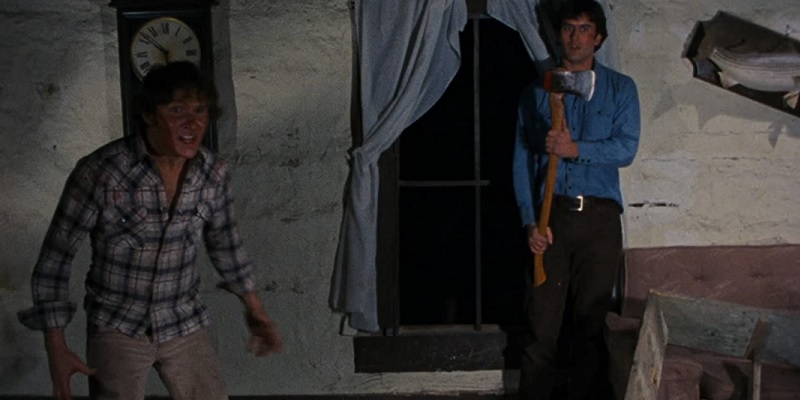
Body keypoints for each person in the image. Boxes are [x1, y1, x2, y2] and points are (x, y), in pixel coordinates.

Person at [17, 61, 282, 400]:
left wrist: (256, 310)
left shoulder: (212, 173)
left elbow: (226, 245)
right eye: (177, 110)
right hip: (118, 324)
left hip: (183, 321)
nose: (192, 122)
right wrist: (57, 348)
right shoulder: (101, 172)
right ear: (149, 115)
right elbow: (55, 260)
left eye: (200, 110)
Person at [512, 1, 640, 399]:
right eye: (569, 28)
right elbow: (521, 162)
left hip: (600, 221)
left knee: (590, 329)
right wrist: (530, 221)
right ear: (559, 35)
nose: (576, 37)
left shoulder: (621, 89)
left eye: (585, 29)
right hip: (551, 220)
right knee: (541, 327)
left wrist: (575, 149)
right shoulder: (537, 92)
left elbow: (626, 148)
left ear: (598, 38)